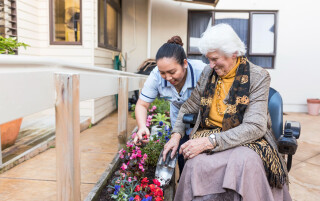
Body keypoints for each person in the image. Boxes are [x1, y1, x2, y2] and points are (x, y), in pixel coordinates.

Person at [163, 24, 292, 201]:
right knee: (194, 163)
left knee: (243, 162)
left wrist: (209, 142)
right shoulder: (208, 73)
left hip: (249, 140)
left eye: (214, 59)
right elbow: (187, 107)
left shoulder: (258, 76)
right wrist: (176, 135)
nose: (210, 64)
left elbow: (255, 127)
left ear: (233, 53)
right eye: (208, 59)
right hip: (210, 133)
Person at [133, 36, 206, 175]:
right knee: (180, 154)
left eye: (172, 72)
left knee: (201, 160)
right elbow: (142, 104)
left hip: (203, 121)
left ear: (184, 63)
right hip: (179, 122)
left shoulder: (201, 71)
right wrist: (142, 127)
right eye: (163, 73)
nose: (167, 77)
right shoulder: (155, 76)